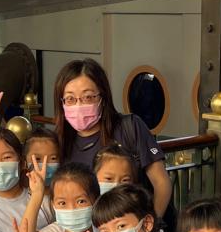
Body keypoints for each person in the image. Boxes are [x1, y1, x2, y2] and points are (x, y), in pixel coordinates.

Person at [53, 59, 171, 221]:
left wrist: (151, 226)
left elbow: (161, 183)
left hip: (133, 227)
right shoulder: (59, 141)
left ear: (102, 97)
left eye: (88, 97)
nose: (79, 105)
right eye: (70, 99)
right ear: (61, 103)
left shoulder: (130, 127)